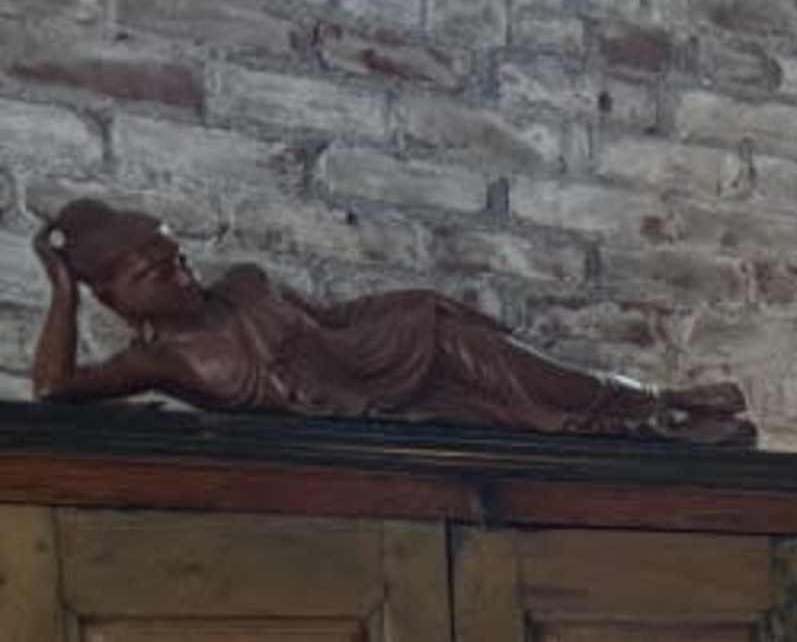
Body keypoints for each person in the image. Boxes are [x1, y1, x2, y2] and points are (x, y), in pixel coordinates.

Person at [30, 199, 756, 444]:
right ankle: (654, 418)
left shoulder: (245, 284)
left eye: (178, 257)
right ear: (112, 299)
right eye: (155, 273)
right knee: (517, 411)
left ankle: (655, 405)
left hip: (382, 357)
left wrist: (412, 305)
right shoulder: (161, 360)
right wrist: (59, 289)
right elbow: (55, 389)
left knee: (521, 371)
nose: (180, 274)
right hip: (365, 416)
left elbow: (333, 317)